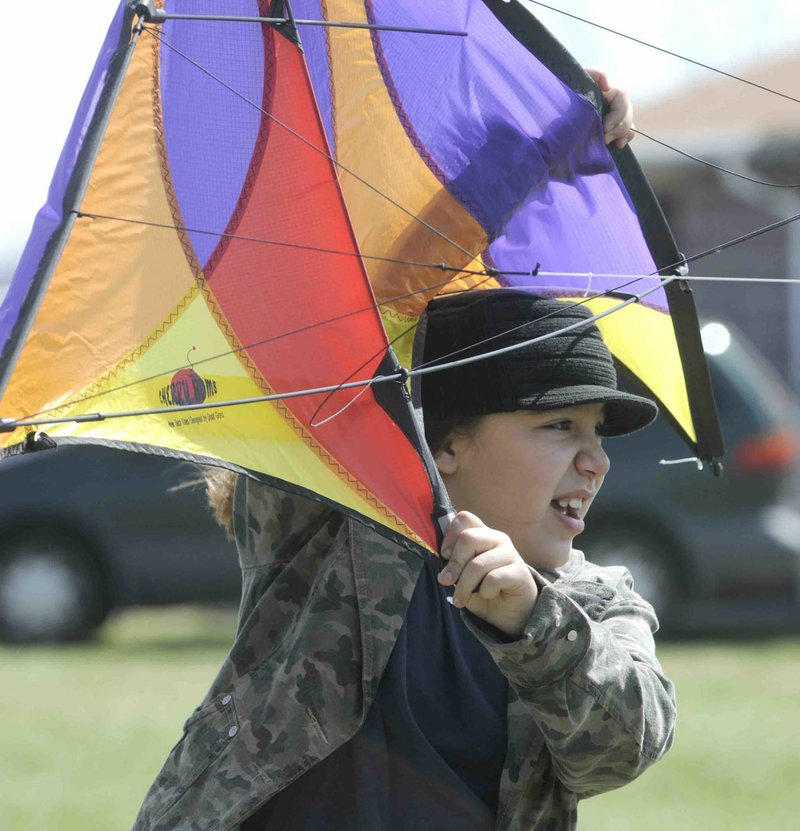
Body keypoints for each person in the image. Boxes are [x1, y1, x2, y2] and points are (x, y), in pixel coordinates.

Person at [132, 286, 675, 831]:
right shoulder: (340, 517)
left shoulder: (593, 599)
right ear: (447, 447)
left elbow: (624, 752)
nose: (596, 461)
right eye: (560, 425)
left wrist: (531, 620)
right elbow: (292, 337)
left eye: (597, 430)